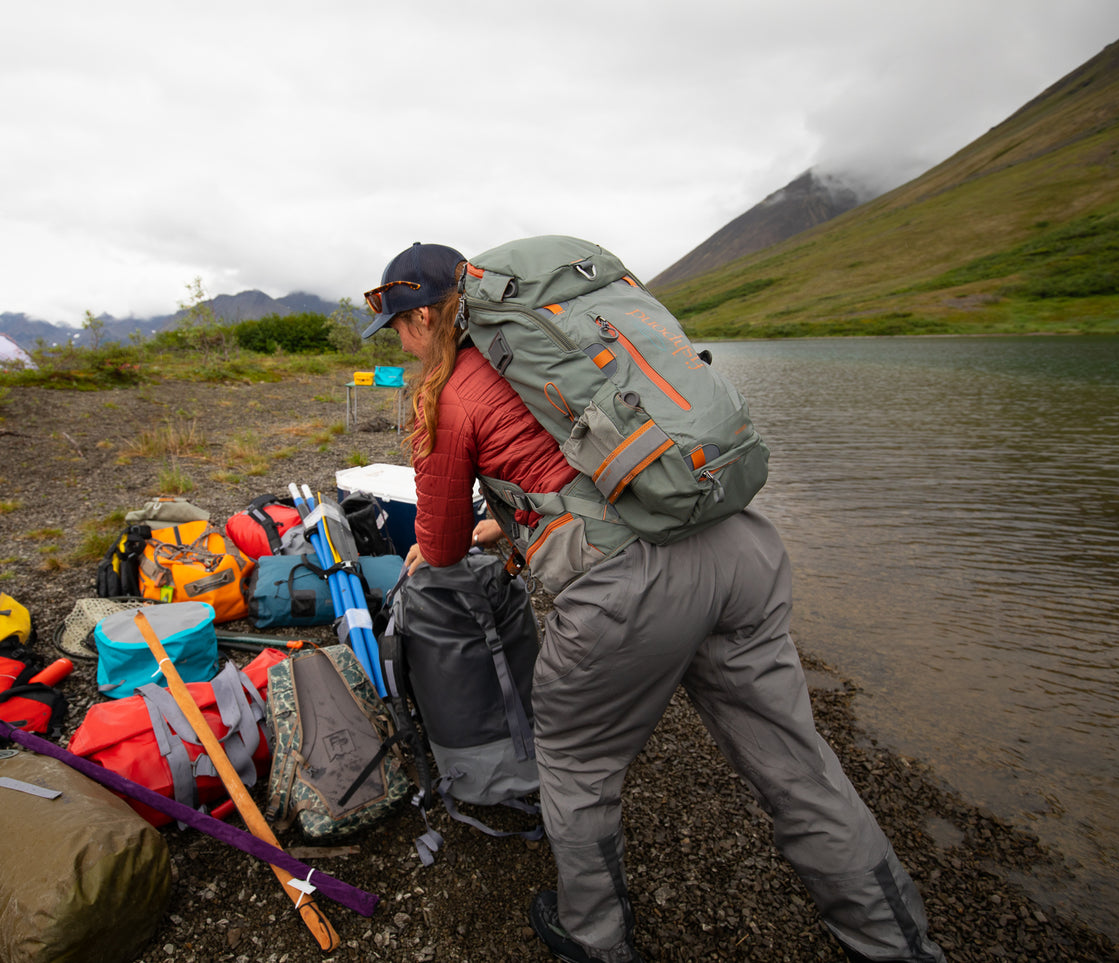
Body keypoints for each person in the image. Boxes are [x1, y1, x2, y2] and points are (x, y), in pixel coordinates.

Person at [362, 241, 945, 963]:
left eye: (396, 326)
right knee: (798, 764)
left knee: (576, 765)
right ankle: (897, 942)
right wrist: (506, 518)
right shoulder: (564, 344)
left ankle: (594, 935)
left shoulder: (448, 395)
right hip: (737, 543)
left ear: (421, 317)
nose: (400, 340)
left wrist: (453, 535)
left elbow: (441, 544)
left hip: (630, 585)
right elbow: (582, 458)